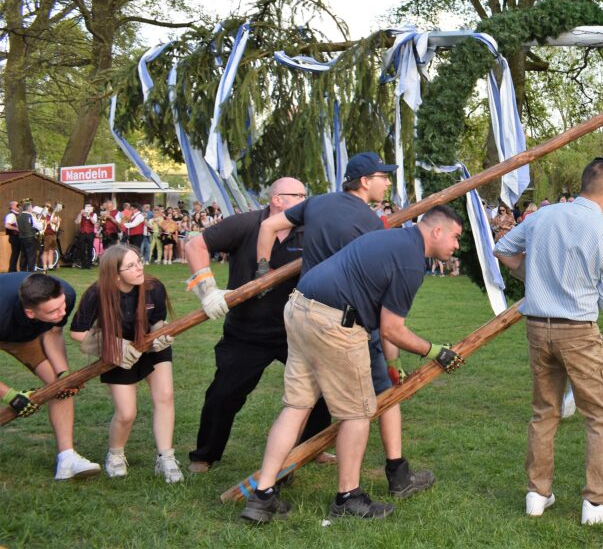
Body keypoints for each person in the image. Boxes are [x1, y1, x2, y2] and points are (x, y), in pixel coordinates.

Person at [240, 206, 464, 524]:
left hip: (300, 307)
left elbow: (382, 319)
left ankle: (261, 496)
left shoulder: (393, 239)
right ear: (436, 232)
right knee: (357, 412)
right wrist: (434, 351)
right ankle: (348, 497)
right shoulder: (411, 261)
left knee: (297, 406)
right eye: (455, 237)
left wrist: (392, 360)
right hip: (335, 322)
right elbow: (392, 329)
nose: (456, 245)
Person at [256, 151, 431, 499]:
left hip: (306, 307)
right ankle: (395, 474)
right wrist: (393, 357)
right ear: (365, 181)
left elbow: (268, 225)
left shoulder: (317, 203)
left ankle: (274, 480)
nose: (387, 183)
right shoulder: (371, 225)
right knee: (382, 396)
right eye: (383, 177)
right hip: (349, 320)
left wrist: (263, 269)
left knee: (299, 403)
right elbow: (386, 310)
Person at [493, 158, 603, 525]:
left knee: (544, 411)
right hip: (579, 331)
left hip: (538, 328)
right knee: (601, 414)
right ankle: (597, 502)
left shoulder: (543, 216)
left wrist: (535, 277)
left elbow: (503, 249)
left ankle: (537, 494)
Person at [184, 178, 334, 472]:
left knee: (319, 389)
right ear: (277, 199)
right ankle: (204, 454)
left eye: (306, 194)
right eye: (298, 195)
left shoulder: (310, 230)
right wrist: (207, 289)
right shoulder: (246, 224)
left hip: (297, 328)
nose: (305, 199)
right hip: (246, 331)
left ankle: (312, 447)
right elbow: (195, 245)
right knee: (224, 392)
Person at [70, 245, 179, 483]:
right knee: (127, 413)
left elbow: (159, 319)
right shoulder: (96, 293)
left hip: (150, 346)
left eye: (139, 261)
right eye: (130, 266)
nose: (139, 267)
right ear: (115, 274)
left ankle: (166, 457)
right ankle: (116, 454)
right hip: (118, 351)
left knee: (165, 396)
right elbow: (77, 332)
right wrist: (111, 345)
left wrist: (161, 332)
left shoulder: (153, 287)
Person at [0, 272, 101, 480]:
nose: (62, 312)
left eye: (62, 305)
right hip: (4, 324)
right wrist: (10, 395)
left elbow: (53, 334)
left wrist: (64, 375)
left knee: (59, 388)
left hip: (23, 337)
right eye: (54, 310)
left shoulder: (66, 294)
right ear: (30, 312)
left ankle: (67, 460)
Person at [75, 204, 97, 269]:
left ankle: (89, 264)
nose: (87, 208)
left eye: (89, 207)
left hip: (90, 233)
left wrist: (89, 215)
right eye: (86, 207)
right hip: (82, 233)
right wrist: (80, 214)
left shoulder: (94, 214)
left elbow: (94, 222)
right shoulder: (82, 214)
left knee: (90, 249)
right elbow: (77, 222)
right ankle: (83, 264)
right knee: (82, 249)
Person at [41, 204, 61, 271]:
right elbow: (42, 223)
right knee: (46, 250)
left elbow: (56, 225)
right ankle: (44, 265)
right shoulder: (43, 216)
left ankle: (50, 265)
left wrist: (58, 221)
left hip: (53, 234)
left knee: (52, 250)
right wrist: (51, 221)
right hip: (47, 234)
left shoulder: (53, 216)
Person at [5, 202, 19, 272]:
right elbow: (7, 225)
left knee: (15, 254)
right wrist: (16, 229)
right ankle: (12, 269)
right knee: (15, 254)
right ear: (13, 206)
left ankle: (13, 269)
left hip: (16, 237)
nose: (18, 206)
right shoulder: (11, 215)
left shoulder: (16, 215)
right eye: (17, 205)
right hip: (14, 237)